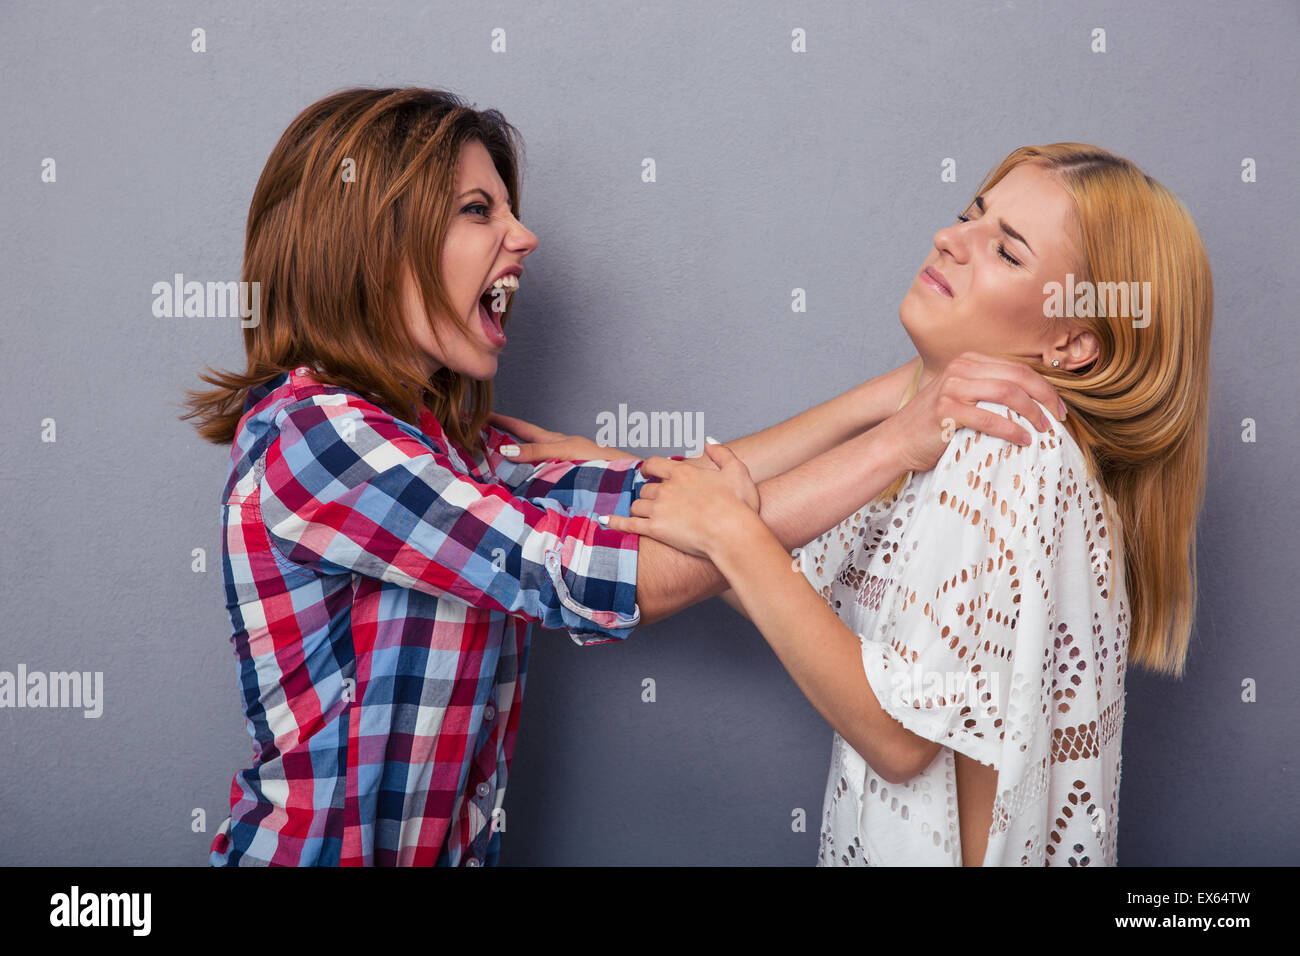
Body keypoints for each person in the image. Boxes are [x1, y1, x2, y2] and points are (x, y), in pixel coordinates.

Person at [181, 86, 1063, 866]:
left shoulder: (452, 449)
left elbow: (672, 500)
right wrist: (894, 446)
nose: (524, 236)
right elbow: (617, 569)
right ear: (375, 249)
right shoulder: (314, 437)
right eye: (479, 211)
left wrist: (896, 394)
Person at [593, 143, 1213, 865]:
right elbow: (781, 565)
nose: (949, 239)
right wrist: (613, 468)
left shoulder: (1012, 455)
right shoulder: (966, 442)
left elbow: (899, 740)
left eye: (1007, 252)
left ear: (1073, 342)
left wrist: (728, 530)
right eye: (967, 216)